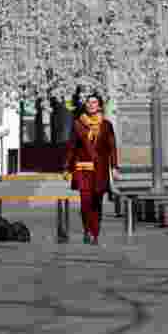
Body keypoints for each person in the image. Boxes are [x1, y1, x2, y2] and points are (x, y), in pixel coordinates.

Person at [64, 93, 119, 245]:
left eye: (94, 102)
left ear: (99, 106)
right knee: (85, 201)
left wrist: (114, 167)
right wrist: (66, 168)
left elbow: (112, 147)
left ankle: (95, 232)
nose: (91, 105)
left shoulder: (106, 125)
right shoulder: (78, 124)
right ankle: (87, 230)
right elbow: (72, 147)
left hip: (100, 169)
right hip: (83, 169)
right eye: (88, 103)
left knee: (97, 202)